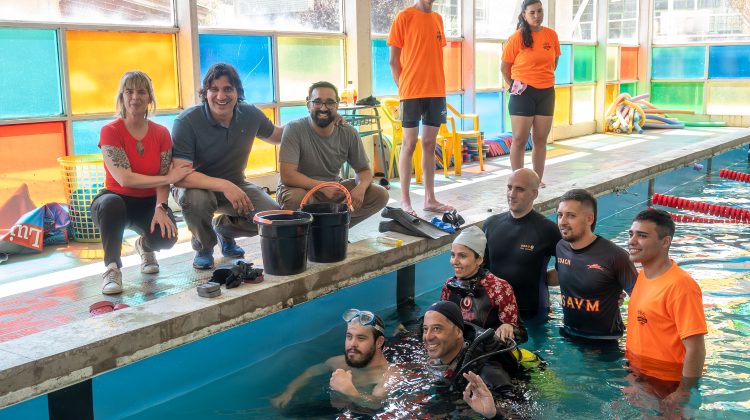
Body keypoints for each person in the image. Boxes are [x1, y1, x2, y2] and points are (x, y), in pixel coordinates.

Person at [171, 63, 283, 269]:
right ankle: (204, 247)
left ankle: (224, 229)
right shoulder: (187, 121)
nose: (221, 96)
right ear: (205, 93)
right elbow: (181, 175)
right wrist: (225, 186)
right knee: (196, 199)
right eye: (214, 89)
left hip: (235, 184)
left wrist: (318, 119)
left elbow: (279, 135)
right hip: (194, 186)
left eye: (227, 89)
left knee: (272, 218)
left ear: (238, 92)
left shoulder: (250, 115)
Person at [90, 71, 193, 295]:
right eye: (129, 91)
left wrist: (161, 207)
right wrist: (168, 178)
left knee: (167, 237)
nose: (135, 97)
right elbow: (124, 178)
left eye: (141, 91)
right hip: (115, 201)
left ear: (149, 98)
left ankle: (144, 247)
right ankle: (112, 268)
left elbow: (164, 175)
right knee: (111, 203)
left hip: (148, 201)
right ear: (121, 97)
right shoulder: (110, 131)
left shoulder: (161, 133)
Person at [625, 209, 707, 415]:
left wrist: (682, 392)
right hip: (640, 373)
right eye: (631, 234)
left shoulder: (681, 286)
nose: (632, 241)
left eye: (642, 235)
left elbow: (696, 346)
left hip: (668, 382)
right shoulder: (644, 276)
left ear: (665, 242)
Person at [277, 81, 389, 226]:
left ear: (337, 105)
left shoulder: (348, 133)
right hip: (300, 189)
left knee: (379, 194)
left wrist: (360, 188)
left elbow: (364, 171)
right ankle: (307, 236)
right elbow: (287, 176)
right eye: (317, 102)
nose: (323, 108)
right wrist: (322, 186)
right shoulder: (294, 129)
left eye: (330, 103)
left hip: (334, 189)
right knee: (295, 199)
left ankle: (336, 229)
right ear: (308, 104)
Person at [387, 0, 454, 216]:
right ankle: (405, 201)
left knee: (429, 143)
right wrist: (404, 88)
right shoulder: (404, 17)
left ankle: (429, 199)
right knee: (408, 144)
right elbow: (393, 61)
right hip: (411, 92)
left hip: (436, 90)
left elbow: (431, 55)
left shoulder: (438, 19)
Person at [271, 309, 394, 411]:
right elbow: (311, 372)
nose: (352, 344)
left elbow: (378, 403)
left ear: (379, 342)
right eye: (349, 336)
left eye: (361, 338)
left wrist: (350, 391)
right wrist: (288, 392)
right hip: (337, 408)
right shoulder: (339, 362)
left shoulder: (389, 375)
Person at [555, 189, 637, 341]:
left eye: (571, 215)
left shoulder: (615, 256)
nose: (563, 221)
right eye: (560, 215)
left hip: (604, 342)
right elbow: (565, 274)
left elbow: (641, 299)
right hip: (569, 334)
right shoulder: (561, 247)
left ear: (589, 219)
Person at [422, 301, 525, 418]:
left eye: (437, 328)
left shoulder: (486, 371)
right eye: (425, 329)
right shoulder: (441, 356)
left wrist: (494, 414)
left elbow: (521, 412)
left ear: (458, 332)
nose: (428, 337)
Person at [483, 168, 561, 320]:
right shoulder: (491, 225)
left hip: (533, 313)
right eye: (509, 187)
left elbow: (570, 265)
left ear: (534, 194)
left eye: (520, 189)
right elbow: (481, 267)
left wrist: (541, 280)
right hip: (495, 310)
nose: (512, 194)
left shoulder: (547, 229)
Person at [501, 0, 561, 187]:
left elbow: (554, 61)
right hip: (523, 93)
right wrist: (513, 86)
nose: (537, 16)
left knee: (540, 139)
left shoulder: (551, 35)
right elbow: (504, 67)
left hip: (546, 92)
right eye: (532, 12)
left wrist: (543, 78)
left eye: (540, 11)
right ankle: (518, 181)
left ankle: (536, 180)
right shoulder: (517, 37)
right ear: (524, 15)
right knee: (519, 139)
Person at [441, 226, 528, 343]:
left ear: (479, 259)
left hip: (485, 353)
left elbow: (521, 334)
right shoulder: (449, 285)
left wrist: (508, 327)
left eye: (462, 256)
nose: (454, 261)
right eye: (452, 255)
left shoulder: (499, 287)